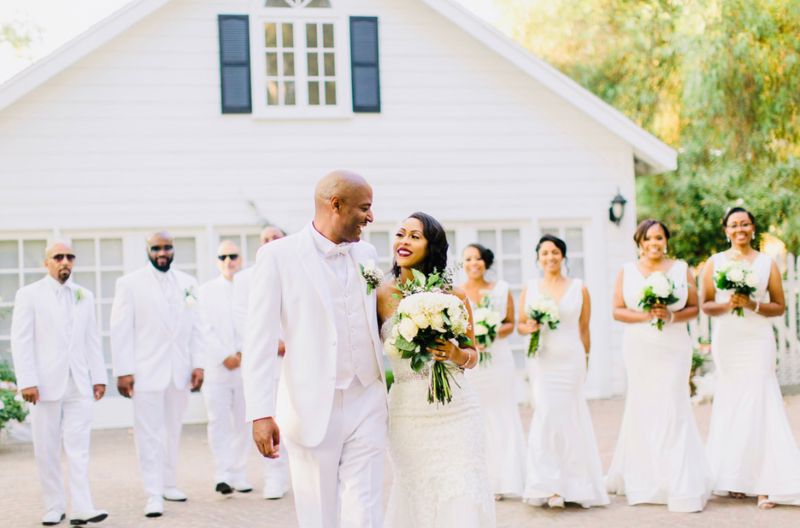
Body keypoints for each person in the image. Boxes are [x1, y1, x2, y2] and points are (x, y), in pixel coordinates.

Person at [243, 171, 387, 528]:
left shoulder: (367, 253)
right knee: (318, 514)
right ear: (335, 204)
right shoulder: (277, 256)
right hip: (310, 405)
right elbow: (258, 340)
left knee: (365, 506)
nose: (371, 218)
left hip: (367, 396)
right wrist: (260, 413)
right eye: (365, 208)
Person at [378, 212, 495, 528]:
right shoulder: (380, 295)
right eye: (401, 233)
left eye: (415, 236)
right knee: (417, 494)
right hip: (408, 413)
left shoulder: (454, 296)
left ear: (432, 247)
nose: (404, 241)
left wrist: (456, 353)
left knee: (462, 493)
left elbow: (473, 355)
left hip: (458, 412)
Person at [606, 220, 710, 512]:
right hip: (639, 346)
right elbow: (617, 310)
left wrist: (669, 316)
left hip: (673, 347)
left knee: (673, 406)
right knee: (643, 406)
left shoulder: (681, 269)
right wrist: (647, 316)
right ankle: (646, 479)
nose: (654, 243)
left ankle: (679, 480)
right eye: (648, 238)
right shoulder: (626, 272)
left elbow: (693, 308)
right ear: (639, 242)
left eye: (659, 237)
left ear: (666, 240)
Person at [701, 207, 800, 509]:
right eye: (734, 225)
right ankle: (736, 478)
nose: (740, 229)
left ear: (753, 229)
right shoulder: (714, 263)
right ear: (726, 230)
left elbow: (779, 306)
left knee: (760, 399)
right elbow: (705, 304)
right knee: (733, 403)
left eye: (745, 224)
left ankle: (765, 482)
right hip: (728, 341)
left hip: (757, 340)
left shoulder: (766, 263)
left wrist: (753, 304)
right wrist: (730, 304)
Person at [10, 241, 108, 526]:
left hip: (78, 383)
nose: (65, 261)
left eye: (70, 257)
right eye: (58, 257)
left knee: (79, 446)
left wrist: (98, 377)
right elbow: (22, 340)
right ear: (47, 263)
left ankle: (81, 506)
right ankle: (53, 506)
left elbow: (92, 339)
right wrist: (27, 380)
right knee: (46, 447)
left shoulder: (84, 295)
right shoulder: (29, 295)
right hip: (43, 384)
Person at [110, 231, 205, 518]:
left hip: (179, 372)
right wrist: (123, 370)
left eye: (167, 248)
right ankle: (152, 493)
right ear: (148, 251)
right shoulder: (129, 284)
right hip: (145, 372)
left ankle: (169, 483)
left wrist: (198, 364)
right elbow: (120, 330)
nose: (162, 253)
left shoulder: (189, 283)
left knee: (173, 430)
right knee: (148, 434)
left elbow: (196, 328)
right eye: (156, 248)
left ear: (173, 250)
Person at [518, 235, 608, 509]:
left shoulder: (579, 288)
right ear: (538, 258)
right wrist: (530, 327)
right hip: (542, 360)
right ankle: (547, 484)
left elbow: (584, 329)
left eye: (555, 252)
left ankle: (576, 485)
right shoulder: (530, 288)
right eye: (544, 253)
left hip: (571, 360)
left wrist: (587, 361)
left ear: (563, 256)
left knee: (570, 418)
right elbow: (521, 325)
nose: (550, 257)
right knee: (545, 414)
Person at [460, 243, 526, 500]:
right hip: (471, 364)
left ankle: (505, 477)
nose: (473, 263)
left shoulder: (501, 289)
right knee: (475, 415)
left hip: (498, 359)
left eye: (477, 258)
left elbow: (510, 323)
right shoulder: (456, 292)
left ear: (486, 262)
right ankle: (481, 477)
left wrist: (491, 332)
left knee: (502, 413)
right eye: (467, 259)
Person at [231, 225, 290, 500]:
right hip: (266, 361)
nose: (269, 243)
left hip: (298, 360)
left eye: (275, 238)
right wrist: (274, 344)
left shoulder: (296, 270)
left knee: (297, 421)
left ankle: (297, 475)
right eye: (264, 240)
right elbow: (243, 319)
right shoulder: (244, 279)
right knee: (268, 418)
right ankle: (273, 478)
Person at [198, 240, 252, 495]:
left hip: (245, 366)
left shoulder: (249, 288)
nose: (228, 261)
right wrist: (224, 355)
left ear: (240, 259)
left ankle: (240, 472)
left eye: (233, 256)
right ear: (217, 261)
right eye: (223, 257)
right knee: (218, 421)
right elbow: (203, 328)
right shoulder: (206, 291)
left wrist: (241, 353)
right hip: (217, 368)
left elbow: (254, 323)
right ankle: (223, 473)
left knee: (243, 420)